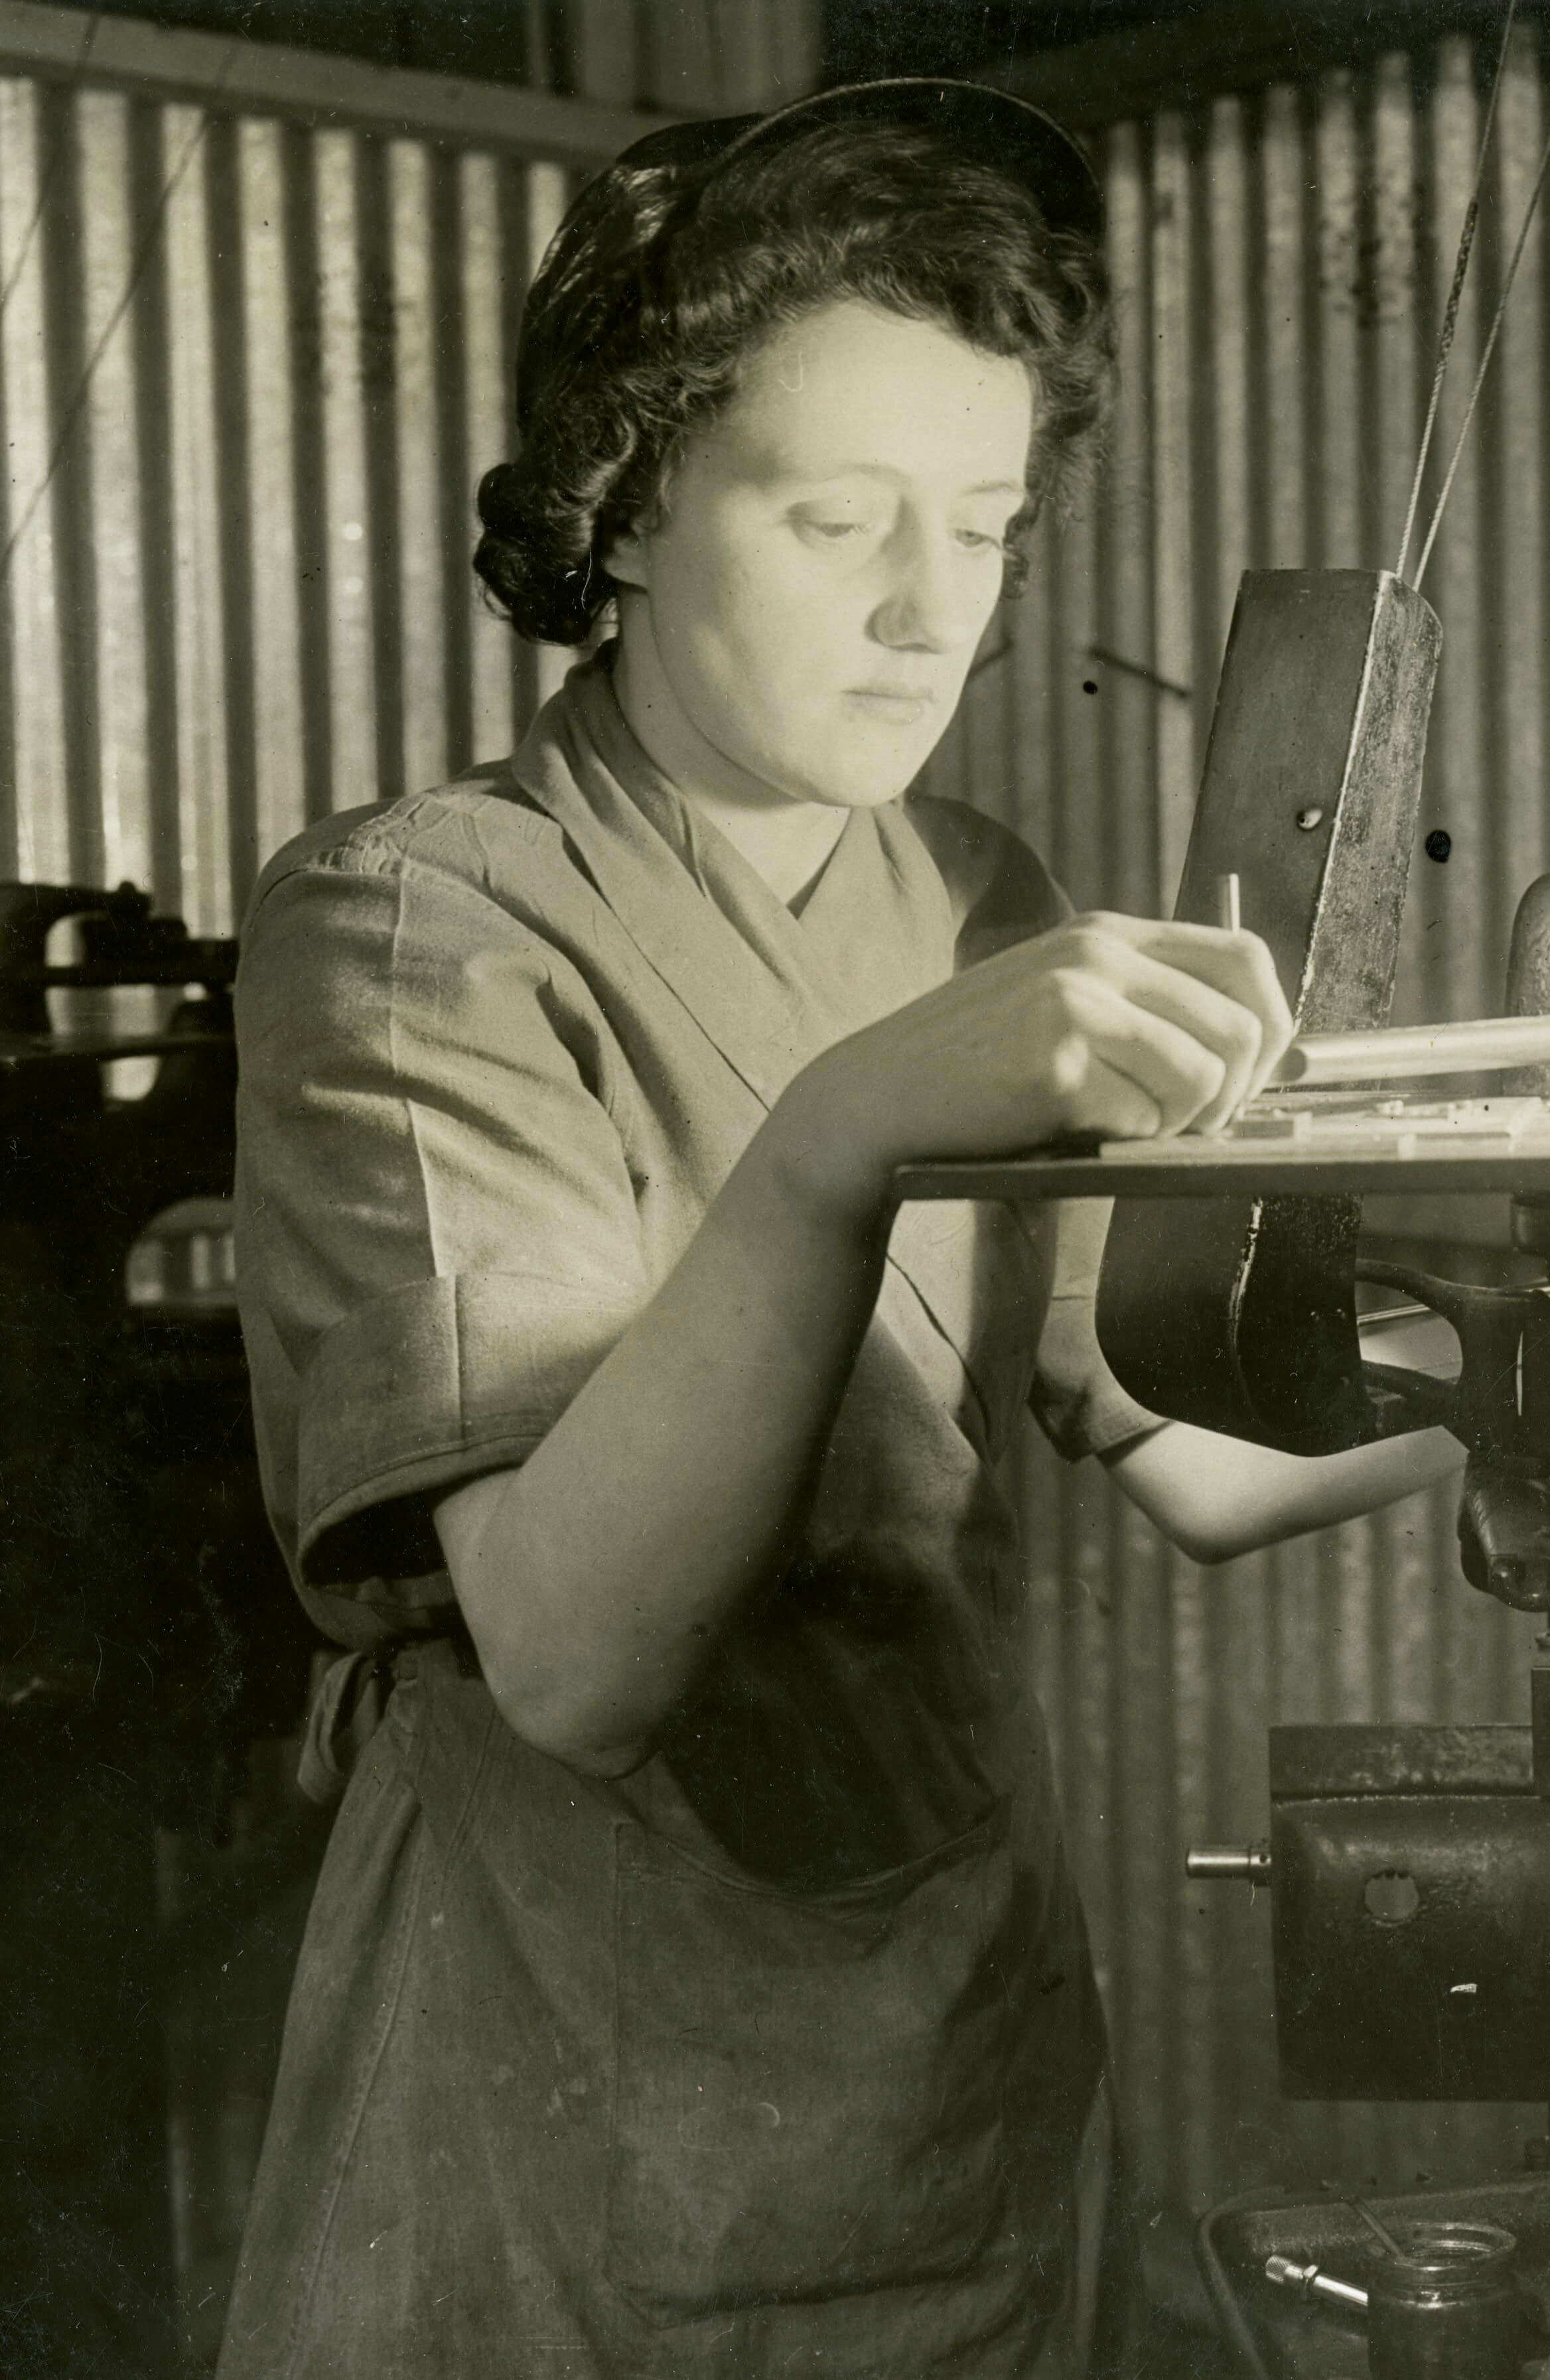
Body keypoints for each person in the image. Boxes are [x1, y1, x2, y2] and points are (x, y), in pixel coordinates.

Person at [218, 80, 1462, 2379]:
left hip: (956, 2073)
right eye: (834, 520)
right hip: (579, 2106)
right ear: (625, 505)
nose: (930, 611)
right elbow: (576, 1659)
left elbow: (1174, 1441)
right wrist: (840, 1130)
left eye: (984, 528)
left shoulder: (966, 895)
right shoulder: (414, 932)